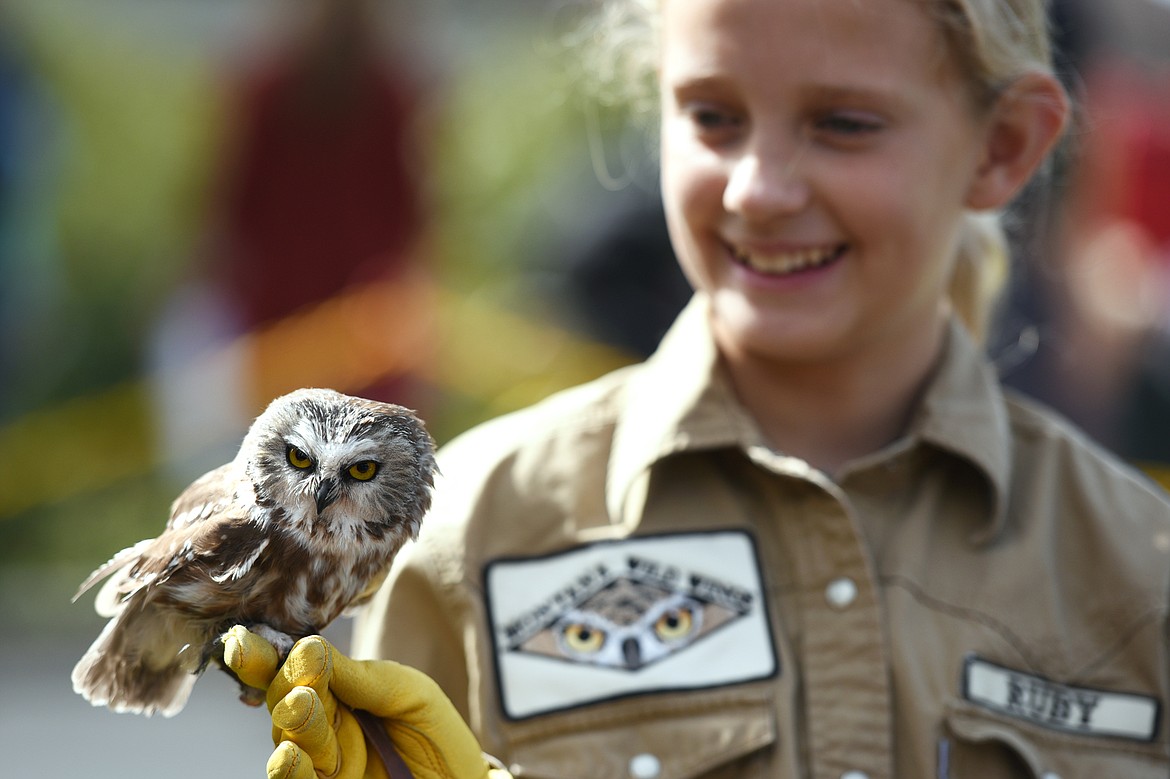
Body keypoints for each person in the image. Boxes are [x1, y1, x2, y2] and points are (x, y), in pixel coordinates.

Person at [227, 0, 1170, 776]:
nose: (758, 188)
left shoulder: (1138, 574)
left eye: (843, 123)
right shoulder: (470, 532)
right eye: (713, 117)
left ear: (1003, 145)